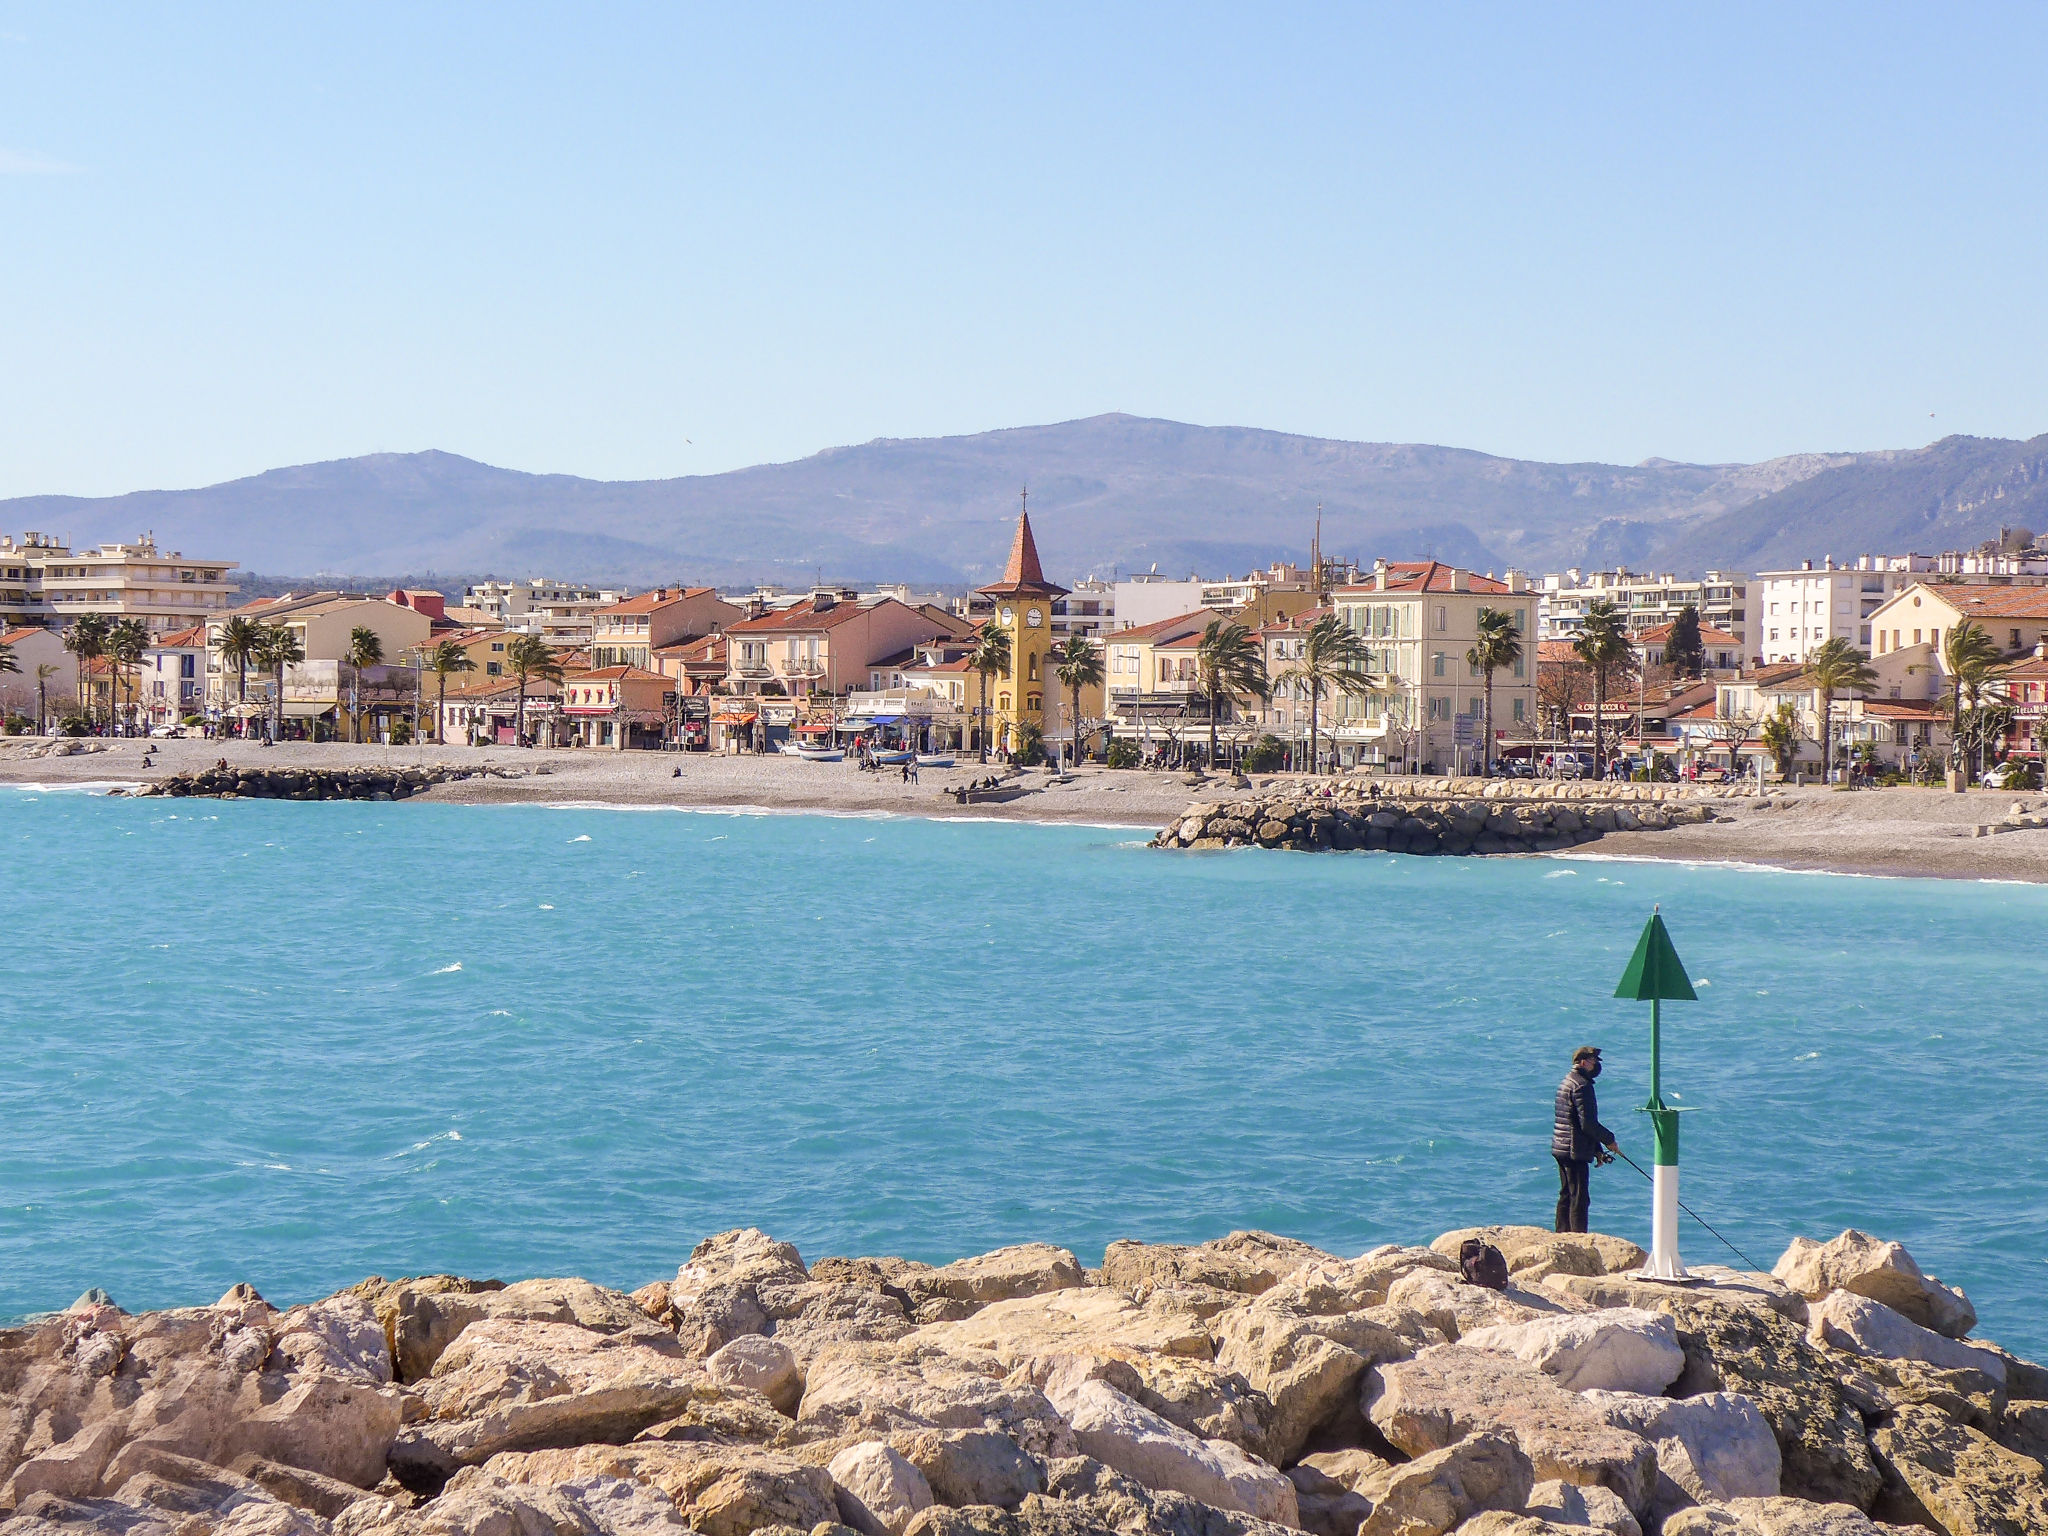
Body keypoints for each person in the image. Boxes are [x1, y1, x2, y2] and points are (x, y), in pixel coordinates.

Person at [1552, 1045, 1619, 1234]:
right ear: (1583, 1062)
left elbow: (1577, 1121)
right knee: (1579, 1197)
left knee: (1567, 1194)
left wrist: (1597, 1149)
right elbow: (1588, 1124)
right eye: (1593, 1061)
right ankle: (1577, 1237)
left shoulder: (1567, 1081)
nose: (1596, 1065)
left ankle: (1562, 1233)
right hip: (1574, 1150)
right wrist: (1609, 1140)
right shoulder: (1582, 1086)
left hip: (1561, 1145)